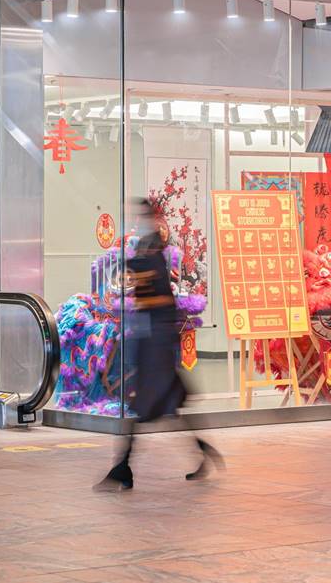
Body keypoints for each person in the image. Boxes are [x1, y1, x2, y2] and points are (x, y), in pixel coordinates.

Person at [95, 200, 224, 491]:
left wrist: (132, 268)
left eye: (139, 216)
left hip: (157, 347)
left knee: (144, 406)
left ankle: (123, 468)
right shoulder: (148, 249)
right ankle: (202, 451)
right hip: (154, 344)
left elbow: (158, 300)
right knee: (165, 408)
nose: (136, 221)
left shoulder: (152, 253)